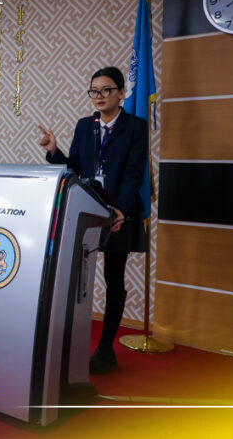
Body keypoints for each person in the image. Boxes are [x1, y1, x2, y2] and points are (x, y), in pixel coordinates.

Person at [37, 66, 148, 375]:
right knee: (73, 274)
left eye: (106, 90)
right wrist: (54, 152)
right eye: (94, 91)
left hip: (119, 210)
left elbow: (134, 174)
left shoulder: (136, 127)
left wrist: (120, 210)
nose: (99, 96)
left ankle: (105, 349)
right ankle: (66, 341)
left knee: (114, 278)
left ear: (121, 93)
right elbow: (74, 167)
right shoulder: (85, 125)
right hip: (86, 207)